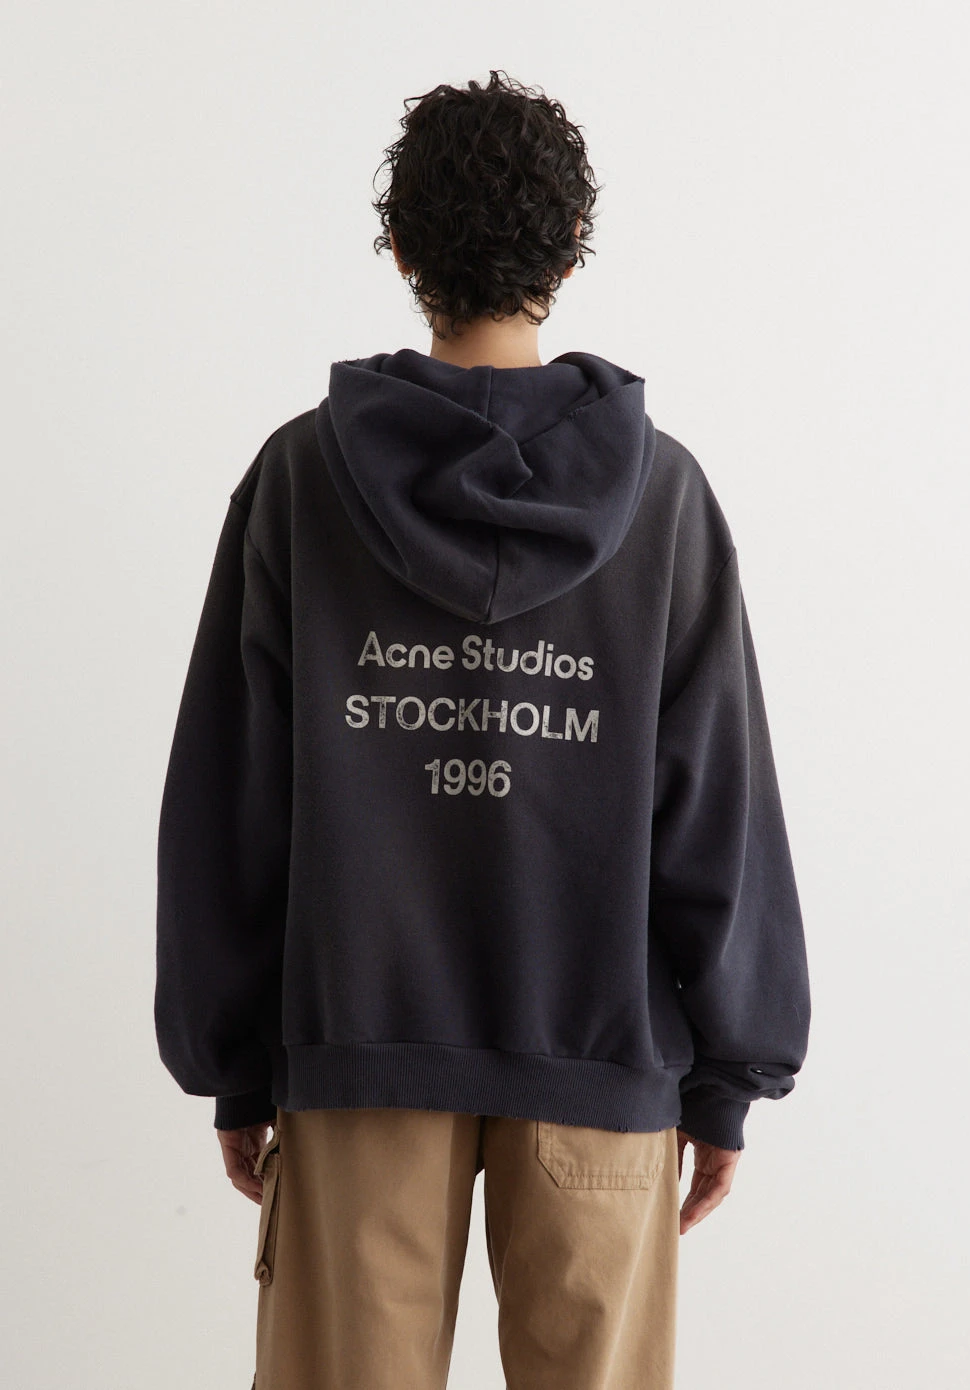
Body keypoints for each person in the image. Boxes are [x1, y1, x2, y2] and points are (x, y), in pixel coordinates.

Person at [155, 68, 811, 1390]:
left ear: (401, 250)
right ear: (567, 255)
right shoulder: (664, 499)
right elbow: (716, 805)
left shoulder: (303, 480)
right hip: (600, 1058)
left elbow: (233, 799)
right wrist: (730, 1072)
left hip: (357, 1050)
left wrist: (233, 1057)